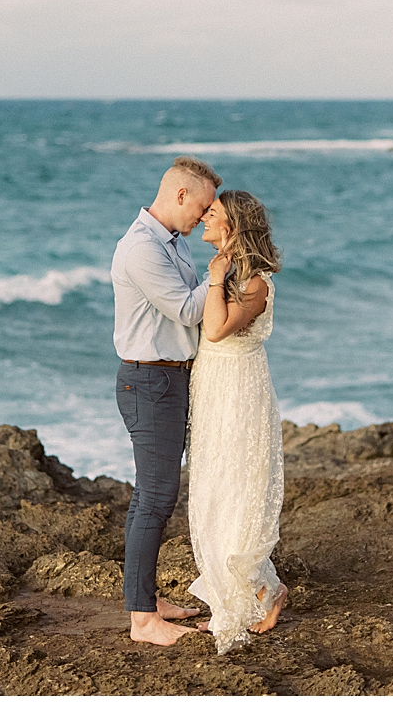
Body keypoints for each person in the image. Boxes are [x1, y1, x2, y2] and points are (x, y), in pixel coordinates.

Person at [110, 155, 222, 645]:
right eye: (201, 206)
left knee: (153, 498)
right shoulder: (140, 249)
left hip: (169, 379)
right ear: (180, 195)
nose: (204, 216)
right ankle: (141, 620)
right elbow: (183, 307)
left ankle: (147, 599)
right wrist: (223, 272)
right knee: (154, 498)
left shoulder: (171, 244)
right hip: (148, 382)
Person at [186, 189, 287, 654]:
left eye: (213, 214)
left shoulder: (255, 282)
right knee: (213, 483)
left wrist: (214, 277)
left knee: (237, 484)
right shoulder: (228, 272)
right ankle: (243, 594)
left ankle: (263, 593)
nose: (204, 218)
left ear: (233, 226)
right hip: (214, 385)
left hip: (240, 390)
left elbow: (218, 328)